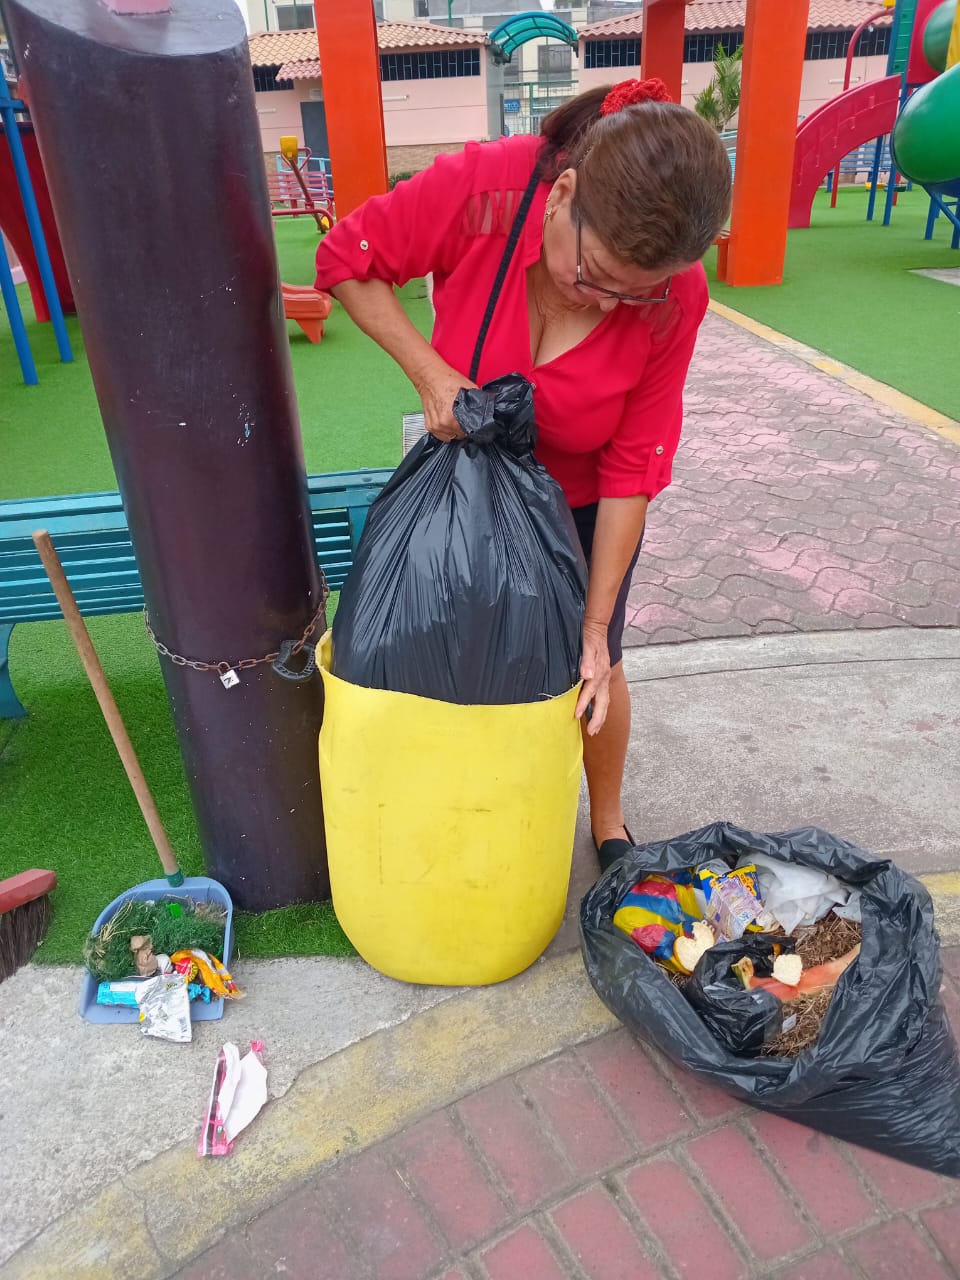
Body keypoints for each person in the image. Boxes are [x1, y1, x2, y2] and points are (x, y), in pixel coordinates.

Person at [314, 78, 732, 868]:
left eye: (635, 295)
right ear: (562, 194)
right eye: (596, 274)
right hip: (461, 493)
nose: (608, 305)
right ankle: (453, 806)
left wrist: (597, 630)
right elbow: (349, 261)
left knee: (592, 671)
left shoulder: (675, 298)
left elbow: (633, 468)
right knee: (446, 650)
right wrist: (432, 375)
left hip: (578, 511)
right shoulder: (485, 191)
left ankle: (607, 824)